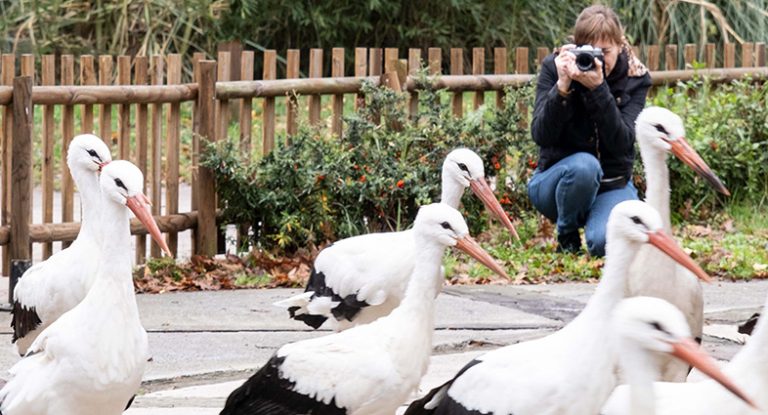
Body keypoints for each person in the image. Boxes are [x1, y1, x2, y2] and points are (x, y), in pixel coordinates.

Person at [528, 5, 651, 256]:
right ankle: (567, 235)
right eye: (590, 51)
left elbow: (623, 142)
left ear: (620, 45)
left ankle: (594, 225)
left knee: (605, 244)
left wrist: (599, 91)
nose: (597, 60)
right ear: (577, 46)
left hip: (611, 185)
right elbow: (540, 135)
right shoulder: (556, 67)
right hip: (557, 182)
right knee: (585, 166)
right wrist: (562, 87)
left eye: (605, 51)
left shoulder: (635, 77)